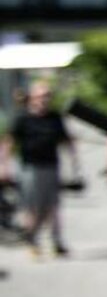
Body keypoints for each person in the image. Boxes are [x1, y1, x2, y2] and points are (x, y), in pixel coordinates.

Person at [1, 79, 79, 257]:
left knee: (53, 206)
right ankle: (32, 241)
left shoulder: (54, 117)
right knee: (32, 207)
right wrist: (4, 166)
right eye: (41, 96)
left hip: (51, 165)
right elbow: (8, 142)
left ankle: (56, 241)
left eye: (47, 96)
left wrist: (75, 162)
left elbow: (66, 141)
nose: (45, 100)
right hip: (30, 167)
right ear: (33, 97)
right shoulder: (22, 118)